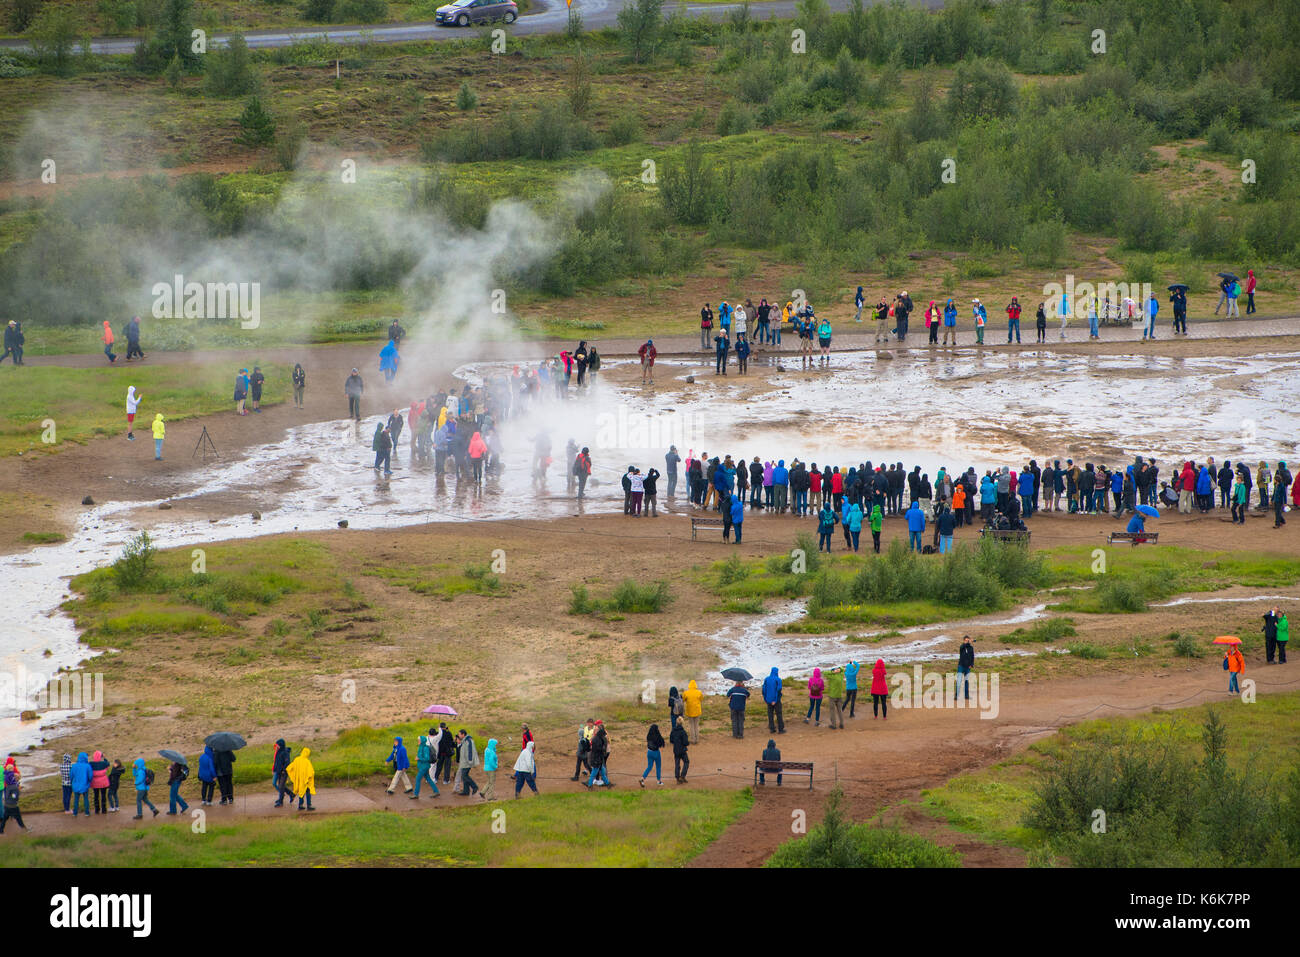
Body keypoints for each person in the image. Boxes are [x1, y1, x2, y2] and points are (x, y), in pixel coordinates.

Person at [585, 719, 613, 789]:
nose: (595, 729)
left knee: (603, 772)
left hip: (598, 758)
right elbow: (597, 749)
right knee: (594, 773)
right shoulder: (596, 739)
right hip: (596, 759)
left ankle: (608, 784)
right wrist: (603, 749)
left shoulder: (599, 737)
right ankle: (589, 785)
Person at [412, 730, 440, 799]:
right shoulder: (421, 747)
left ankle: (416, 794)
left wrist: (419, 758)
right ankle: (436, 791)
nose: (418, 741)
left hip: (424, 767)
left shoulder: (425, 748)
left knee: (418, 778)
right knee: (428, 779)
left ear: (422, 741)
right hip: (423, 766)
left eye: (419, 740)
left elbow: (427, 758)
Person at [455, 729, 480, 796]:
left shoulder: (468, 741)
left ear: (463, 734)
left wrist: (470, 761)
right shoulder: (464, 741)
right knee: (464, 776)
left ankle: (474, 787)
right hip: (464, 762)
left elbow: (470, 752)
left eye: (459, 734)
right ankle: (466, 791)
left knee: (464, 775)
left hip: (467, 762)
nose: (459, 735)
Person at [762, 667, 785, 734]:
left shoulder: (766, 679)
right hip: (776, 700)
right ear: (776, 672)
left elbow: (764, 690)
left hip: (768, 700)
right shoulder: (778, 679)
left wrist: (765, 699)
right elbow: (778, 690)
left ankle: (772, 729)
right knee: (779, 714)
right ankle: (780, 729)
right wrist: (775, 700)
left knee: (770, 714)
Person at [69, 751, 92, 818]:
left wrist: (72, 782)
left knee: (76, 799)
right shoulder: (87, 766)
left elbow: (71, 776)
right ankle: (87, 812)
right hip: (85, 785)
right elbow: (90, 776)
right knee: (86, 799)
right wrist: (89, 782)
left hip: (76, 785)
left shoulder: (74, 766)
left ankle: (75, 813)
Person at [669, 717, 690, 783]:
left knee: (677, 764)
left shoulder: (673, 731)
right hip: (682, 750)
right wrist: (687, 743)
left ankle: (677, 778)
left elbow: (671, 740)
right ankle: (682, 776)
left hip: (676, 750)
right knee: (686, 762)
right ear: (682, 723)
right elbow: (685, 742)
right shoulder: (683, 732)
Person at [683, 679, 703, 744]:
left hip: (689, 711)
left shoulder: (686, 692)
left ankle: (693, 739)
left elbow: (683, 699)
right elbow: (701, 699)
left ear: (689, 685)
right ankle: (697, 739)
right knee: (696, 725)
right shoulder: (699, 692)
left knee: (691, 725)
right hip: (697, 711)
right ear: (695, 685)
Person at [956, 635, 975, 702]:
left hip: (968, 667)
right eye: (966, 640)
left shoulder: (971, 648)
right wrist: (967, 642)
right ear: (964, 640)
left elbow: (972, 657)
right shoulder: (962, 646)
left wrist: (971, 665)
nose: (967, 641)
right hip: (961, 666)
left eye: (968, 640)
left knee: (966, 681)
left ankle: (966, 696)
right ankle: (957, 696)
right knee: (959, 681)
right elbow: (963, 646)